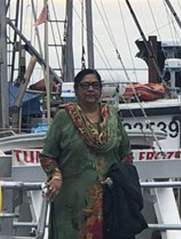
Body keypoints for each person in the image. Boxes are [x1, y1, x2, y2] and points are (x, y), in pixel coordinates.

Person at [40, 69, 133, 238]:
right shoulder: (64, 117)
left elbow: (126, 155)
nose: (90, 89)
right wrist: (56, 175)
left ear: (100, 90)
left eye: (95, 85)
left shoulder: (112, 117)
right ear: (76, 90)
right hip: (72, 203)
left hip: (109, 201)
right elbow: (47, 156)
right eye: (85, 85)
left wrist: (122, 181)